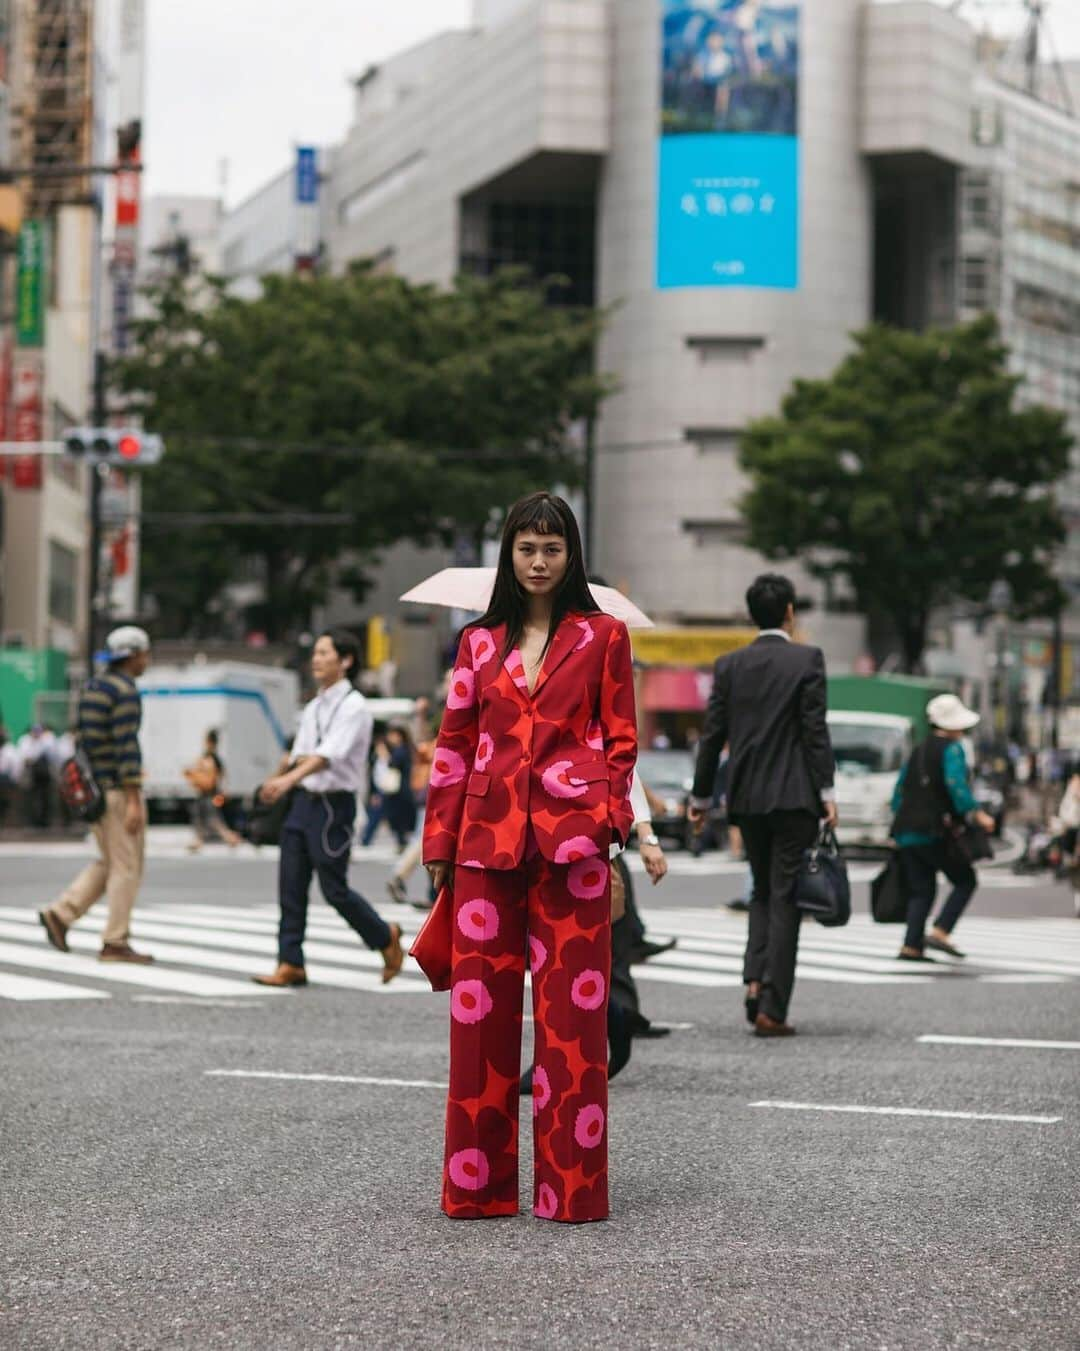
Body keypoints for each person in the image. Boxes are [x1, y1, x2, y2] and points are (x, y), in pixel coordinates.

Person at [424, 491, 637, 1224]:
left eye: (552, 548)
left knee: (572, 1031)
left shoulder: (605, 636)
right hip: (485, 841)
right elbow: (453, 744)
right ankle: (477, 1188)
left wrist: (613, 821)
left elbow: (620, 738)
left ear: (571, 554)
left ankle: (570, 1190)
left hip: (574, 842)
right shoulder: (478, 643)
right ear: (507, 556)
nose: (540, 561)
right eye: (526, 548)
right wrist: (439, 846)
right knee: (478, 1025)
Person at [688, 574, 836, 1038]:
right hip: (795, 798)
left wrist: (701, 796)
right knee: (785, 896)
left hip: (747, 797)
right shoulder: (807, 659)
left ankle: (753, 982)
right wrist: (828, 793)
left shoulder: (730, 665)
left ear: (753, 615)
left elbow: (713, 736)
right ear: (789, 611)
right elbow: (815, 733)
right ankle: (773, 1005)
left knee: (760, 892)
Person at [252, 628, 404, 987]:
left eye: (324, 653)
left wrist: (286, 781)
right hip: (302, 802)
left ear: (346, 660)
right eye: (316, 653)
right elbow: (301, 754)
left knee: (334, 888)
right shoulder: (315, 706)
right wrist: (277, 781)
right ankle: (290, 961)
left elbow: (326, 756)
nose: (316, 659)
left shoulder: (354, 707)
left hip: (333, 807)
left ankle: (384, 936)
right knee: (290, 883)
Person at [39, 626, 154, 963]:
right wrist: (134, 799)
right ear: (132, 655)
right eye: (144, 653)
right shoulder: (124, 690)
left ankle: (62, 914)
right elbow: (126, 746)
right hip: (117, 790)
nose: (146, 660)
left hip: (95, 788)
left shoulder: (93, 687)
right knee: (127, 865)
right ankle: (115, 941)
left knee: (110, 861)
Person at [890, 694, 996, 960]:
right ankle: (940, 931)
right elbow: (956, 785)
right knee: (965, 879)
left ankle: (911, 945)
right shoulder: (952, 749)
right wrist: (976, 813)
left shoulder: (919, 749)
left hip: (906, 830)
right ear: (952, 725)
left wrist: (903, 817)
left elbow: (898, 792)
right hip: (934, 830)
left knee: (921, 888)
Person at [184, 729, 241, 851]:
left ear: (209, 741)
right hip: (206, 793)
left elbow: (217, 775)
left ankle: (230, 838)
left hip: (209, 794)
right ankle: (198, 840)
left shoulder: (210, 758)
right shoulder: (212, 757)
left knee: (213, 819)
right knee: (200, 818)